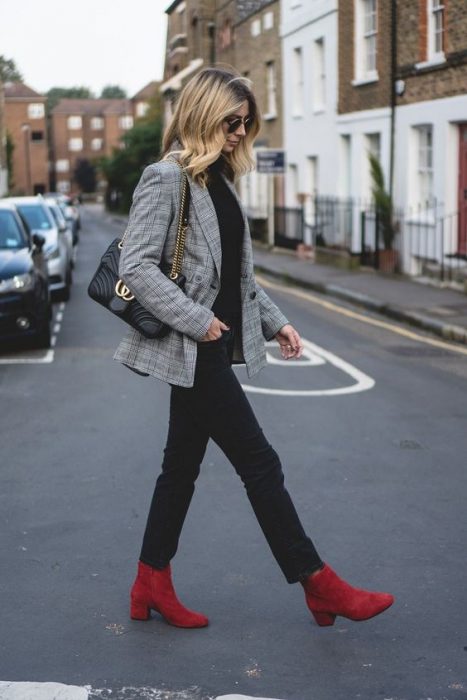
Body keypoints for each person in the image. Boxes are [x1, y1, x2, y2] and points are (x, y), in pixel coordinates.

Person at [114, 67, 394, 629]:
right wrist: (199, 322)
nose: (241, 132)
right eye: (232, 121)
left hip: (209, 348)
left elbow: (237, 278)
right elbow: (136, 266)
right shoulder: (165, 178)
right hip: (195, 351)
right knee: (260, 463)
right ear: (201, 114)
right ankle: (317, 583)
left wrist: (276, 323)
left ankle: (150, 581)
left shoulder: (218, 183)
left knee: (180, 469)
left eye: (247, 123)